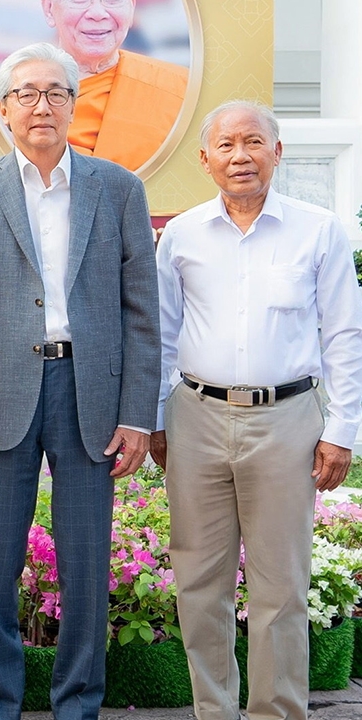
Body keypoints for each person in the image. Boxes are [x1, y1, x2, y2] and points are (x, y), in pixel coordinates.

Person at [0, 42, 159, 720]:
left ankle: (78, 702)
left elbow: (141, 312)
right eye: (26, 93)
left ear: (74, 103)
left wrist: (137, 413)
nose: (41, 105)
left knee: (85, 565)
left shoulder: (117, 188)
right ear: (5, 109)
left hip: (89, 394)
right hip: (0, 399)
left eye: (55, 92)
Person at [150, 100, 362, 720]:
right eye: (226, 145)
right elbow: (163, 335)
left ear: (277, 151)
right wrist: (160, 420)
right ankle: (213, 711)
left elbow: (343, 337)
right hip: (197, 417)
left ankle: (278, 712)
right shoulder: (182, 234)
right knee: (199, 584)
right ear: (206, 158)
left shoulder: (318, 230)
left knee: (281, 588)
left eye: (253, 142)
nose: (239, 155)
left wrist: (343, 428)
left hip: (287, 420)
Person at [40, 0, 189, 170]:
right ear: (49, 9)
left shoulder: (178, 87)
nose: (97, 14)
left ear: (131, 8)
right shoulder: (21, 95)